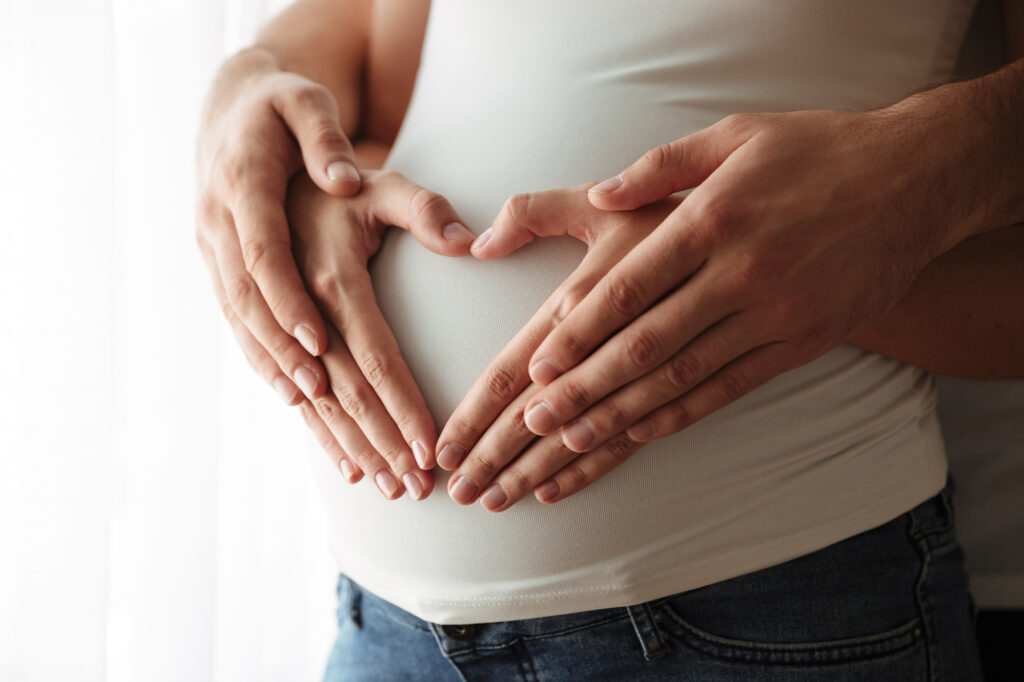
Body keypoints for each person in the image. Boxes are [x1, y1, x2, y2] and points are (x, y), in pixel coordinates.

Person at [195, 0, 1024, 679]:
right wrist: (268, 113)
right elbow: (380, 82)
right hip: (391, 626)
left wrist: (776, 262)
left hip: (768, 604)